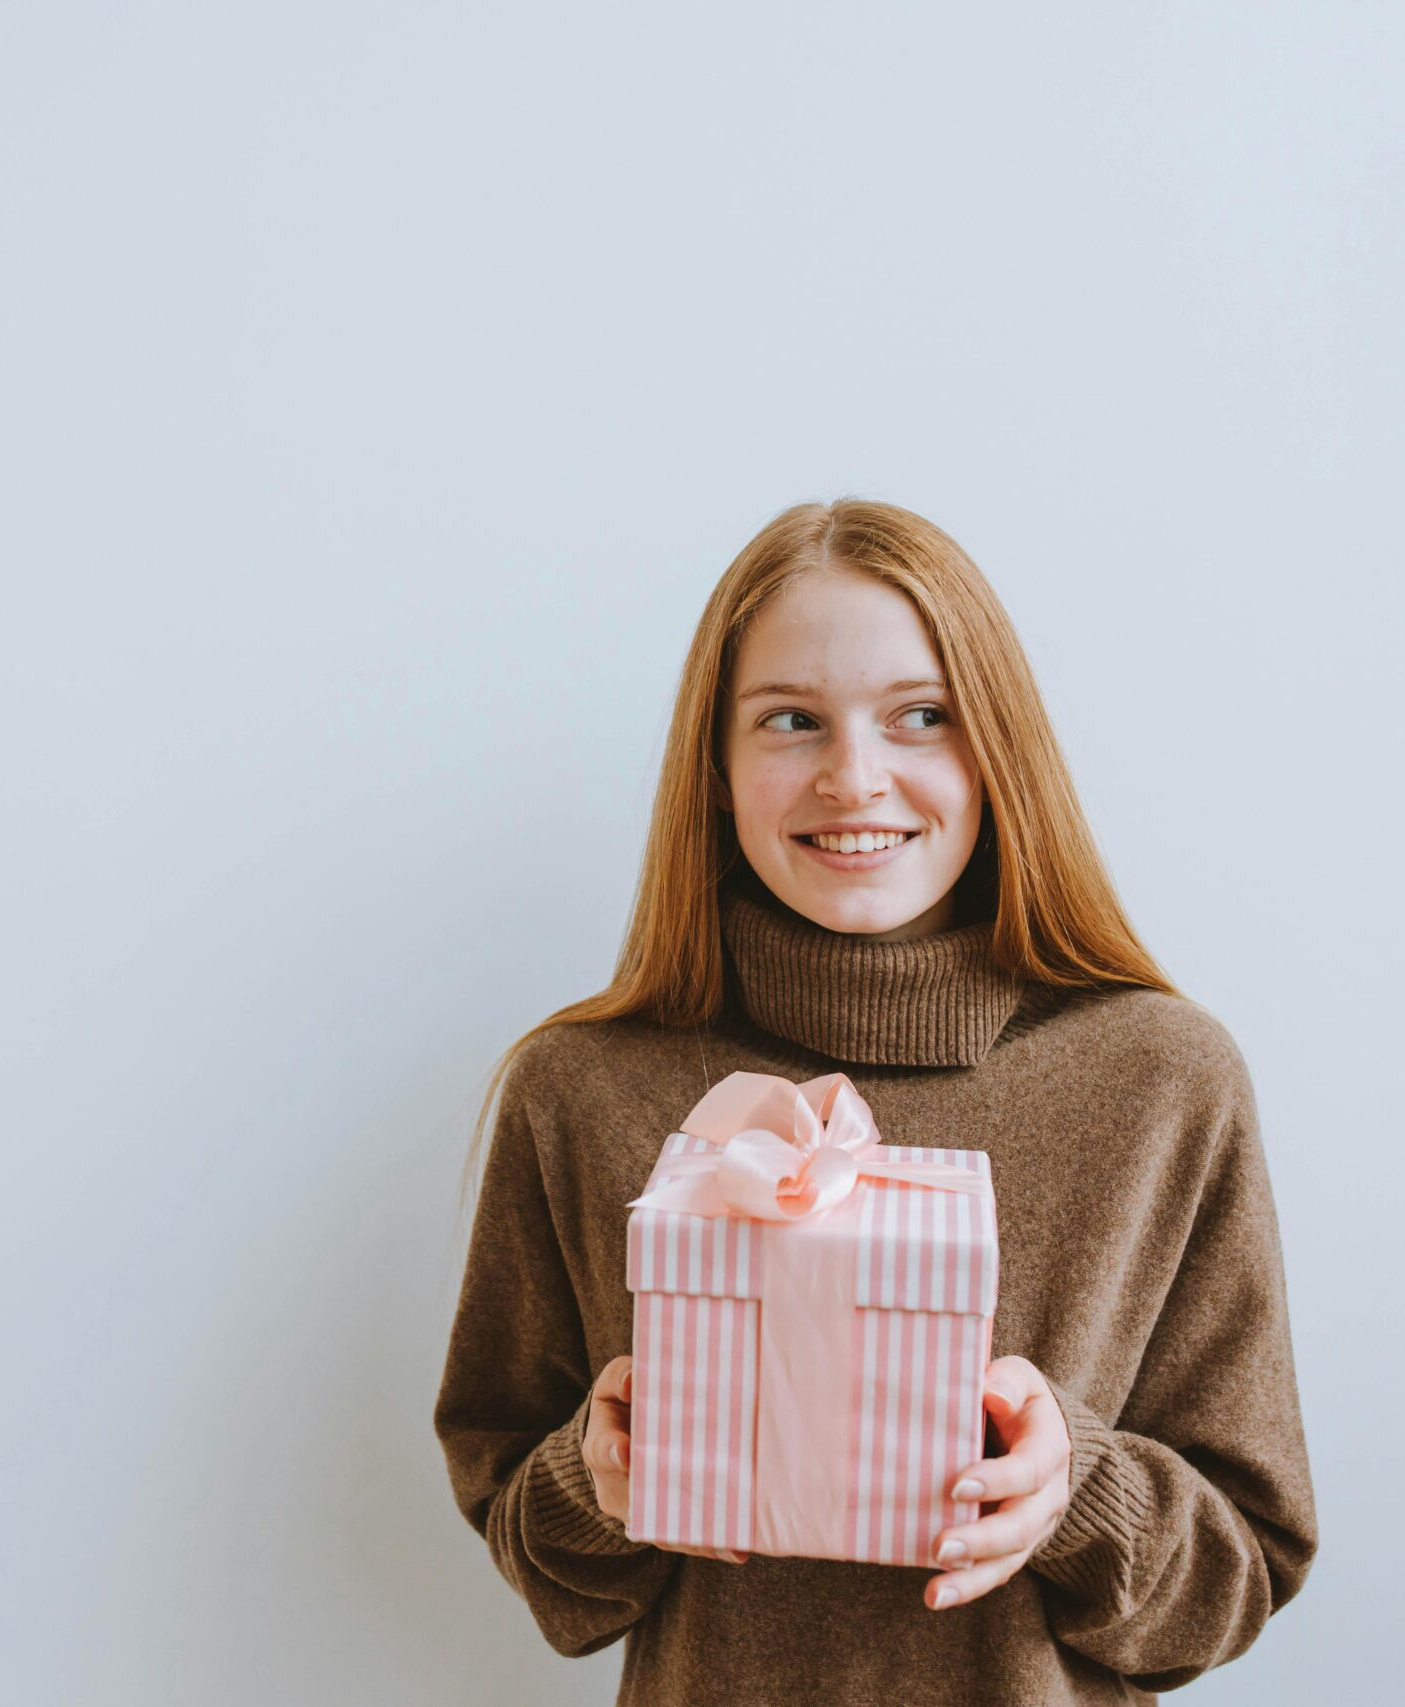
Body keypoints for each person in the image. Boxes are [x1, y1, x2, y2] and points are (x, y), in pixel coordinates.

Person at [432, 498, 1318, 1703]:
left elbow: (1240, 1578)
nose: (855, 778)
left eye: (921, 717)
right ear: (716, 770)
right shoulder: (581, 1089)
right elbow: (540, 1565)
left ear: (997, 746)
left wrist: (1075, 1494)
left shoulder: (1159, 1081)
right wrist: (597, 1480)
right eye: (790, 721)